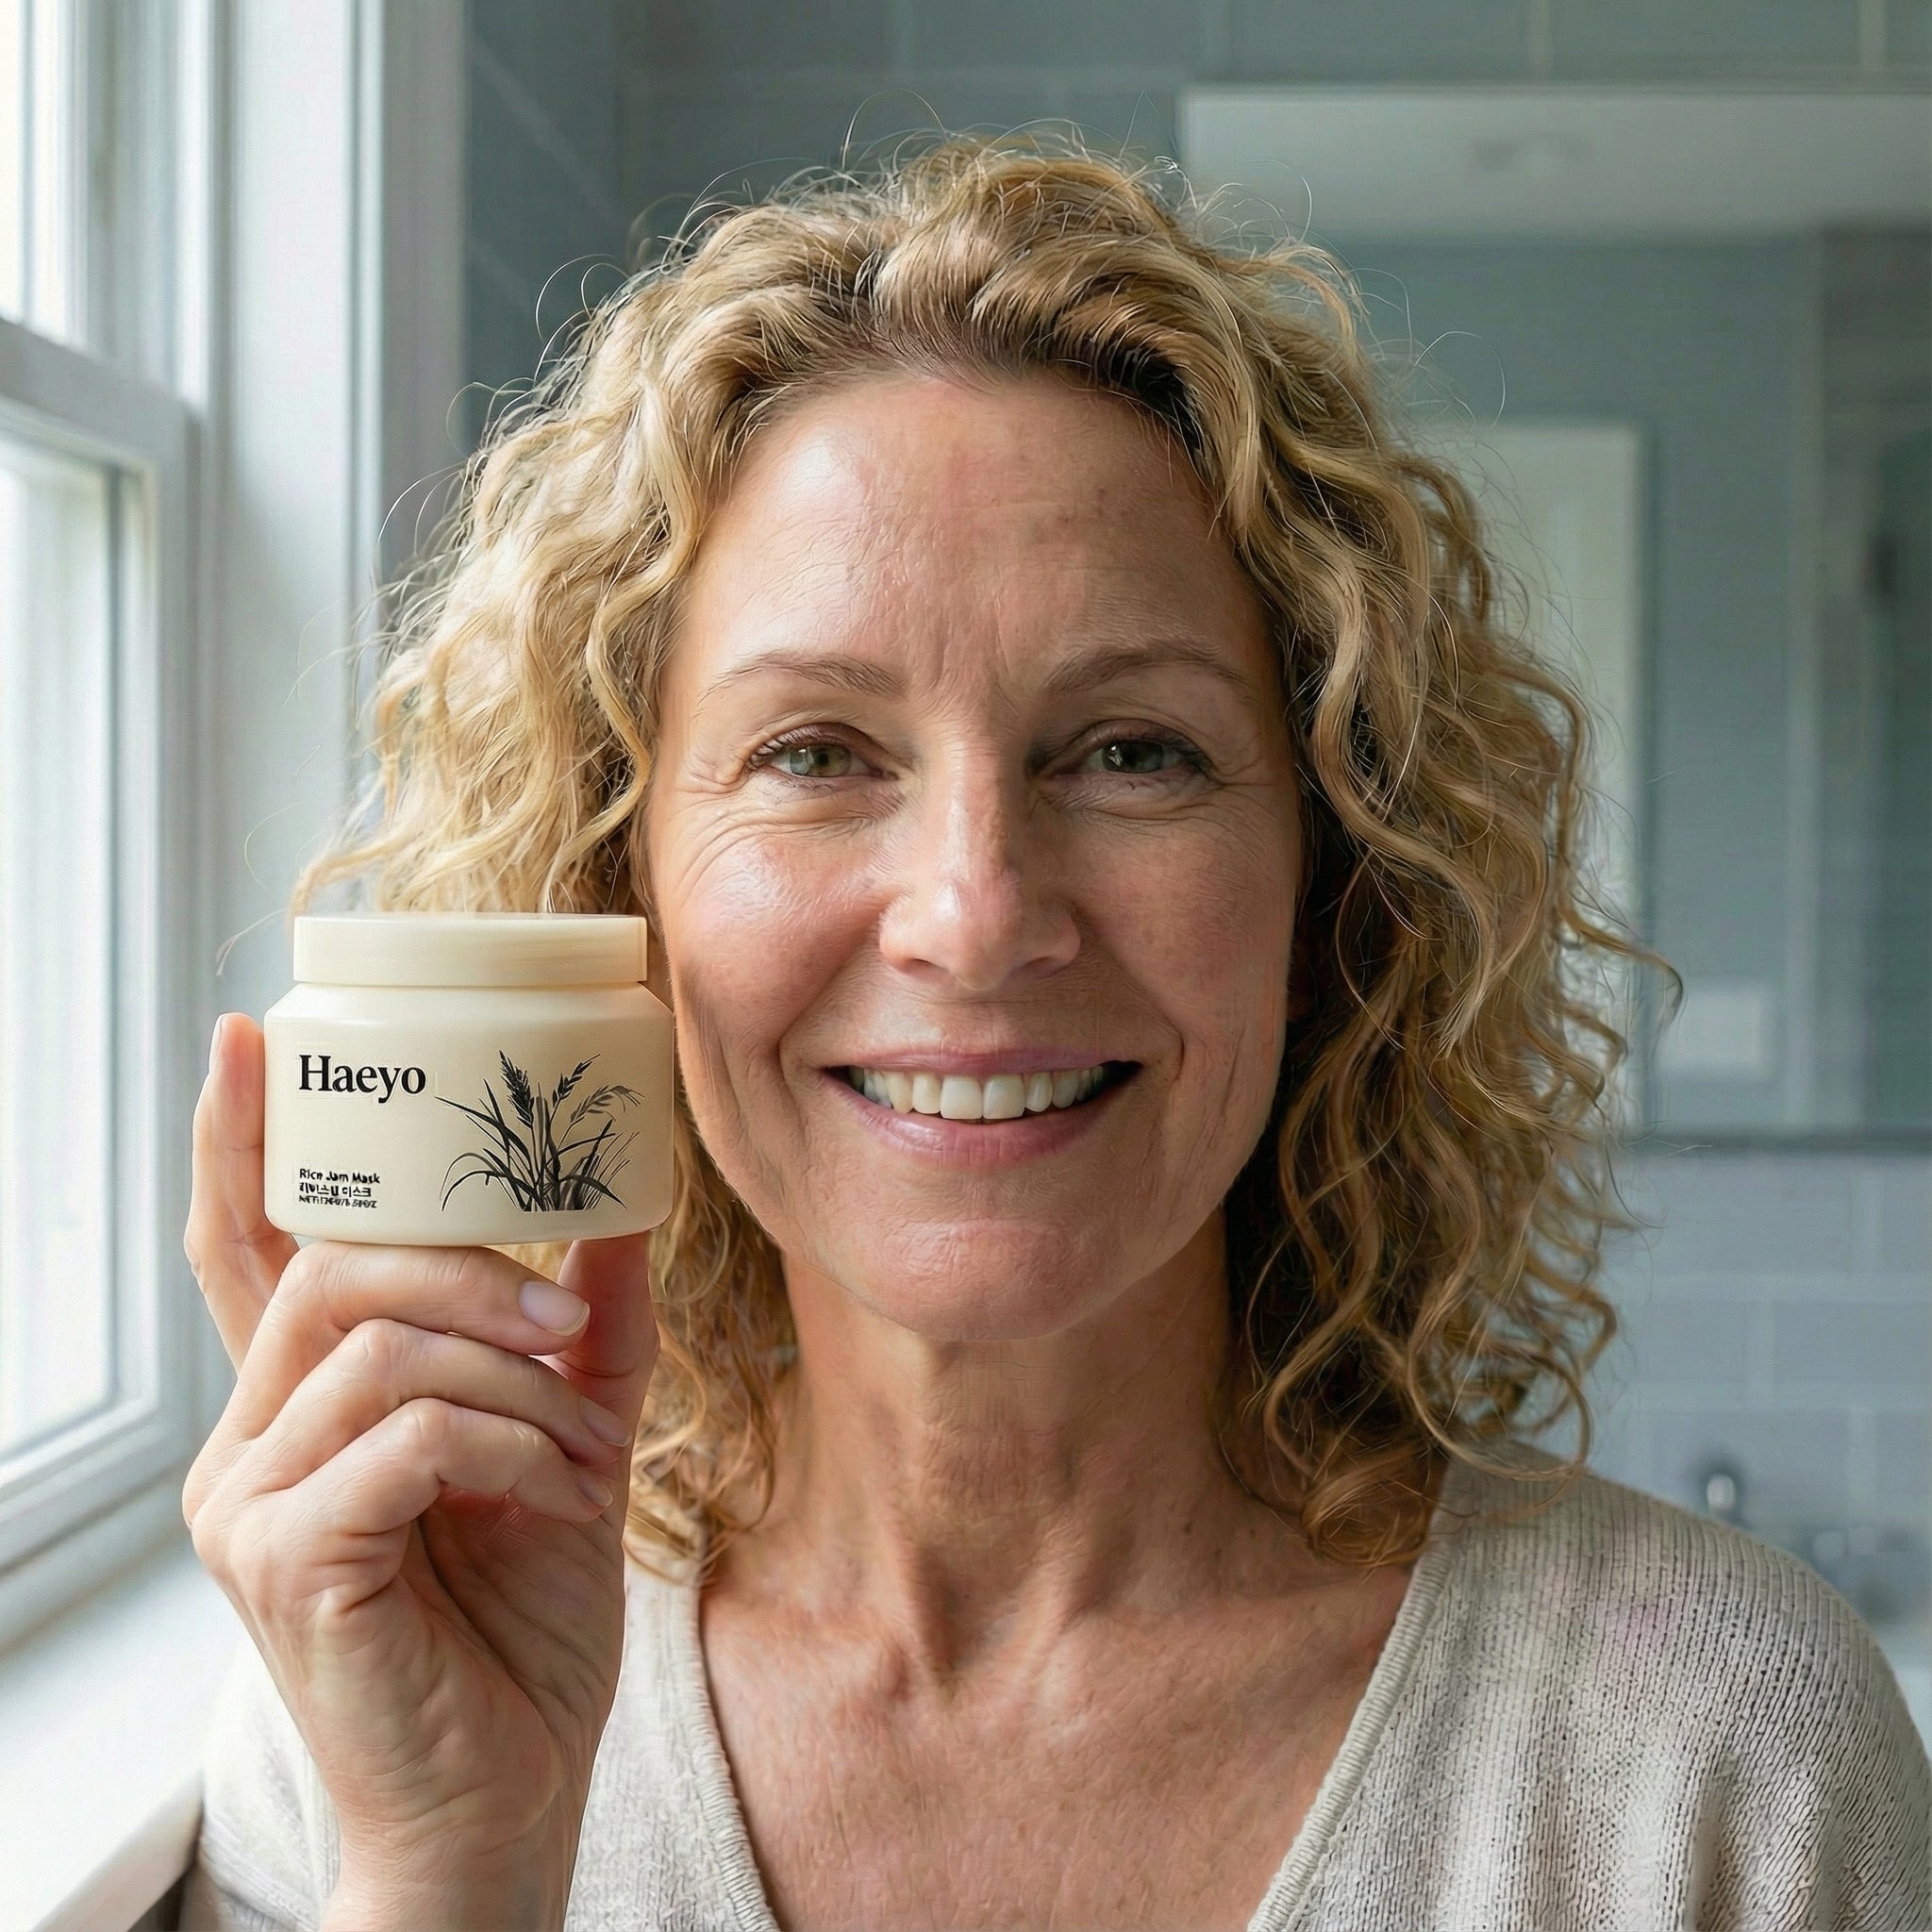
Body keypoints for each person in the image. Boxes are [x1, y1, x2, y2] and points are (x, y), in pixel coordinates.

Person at [177, 135, 1928, 1931]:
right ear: (620, 893)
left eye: (1132, 751)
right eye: (816, 753)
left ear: (1338, 880)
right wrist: (452, 1860)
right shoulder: (374, 1699)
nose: (975, 910)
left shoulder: (1725, 1770)